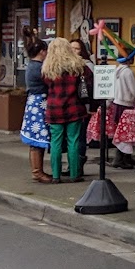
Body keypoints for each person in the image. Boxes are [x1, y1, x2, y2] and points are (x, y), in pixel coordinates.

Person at [40, 37, 87, 182]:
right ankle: (74, 174)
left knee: (56, 142)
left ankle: (55, 175)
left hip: (54, 108)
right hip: (73, 107)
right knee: (73, 141)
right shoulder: (77, 66)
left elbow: (45, 85)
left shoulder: (47, 68)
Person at [17, 33, 51, 183]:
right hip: (39, 104)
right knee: (37, 140)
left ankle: (38, 170)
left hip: (34, 103)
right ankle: (37, 171)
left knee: (36, 140)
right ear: (42, 51)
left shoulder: (31, 65)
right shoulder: (39, 68)